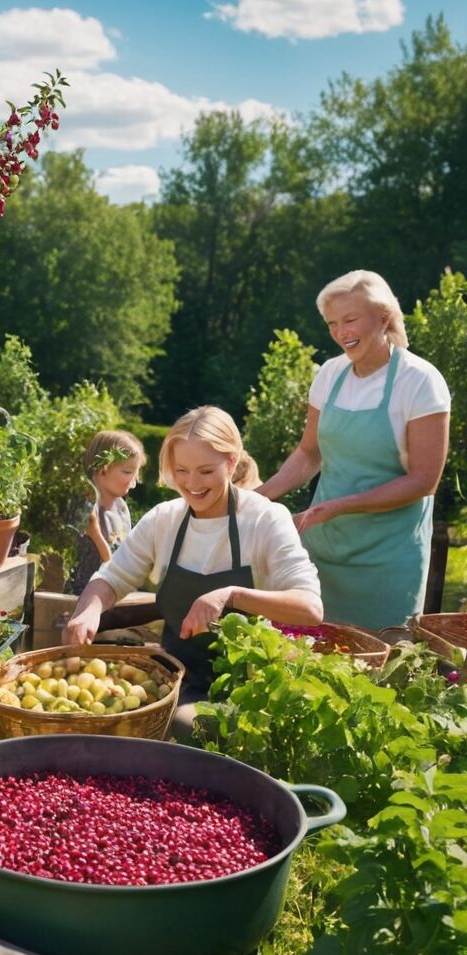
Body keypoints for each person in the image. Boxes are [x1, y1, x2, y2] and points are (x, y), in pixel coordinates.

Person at [63, 406, 322, 694]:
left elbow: (310, 608)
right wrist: (88, 611)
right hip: (173, 683)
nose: (192, 484)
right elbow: (112, 577)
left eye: (206, 471)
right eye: (181, 471)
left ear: (232, 461)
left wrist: (231, 595)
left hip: (249, 693)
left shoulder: (265, 519)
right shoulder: (164, 519)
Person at [257, 270, 450, 629]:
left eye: (350, 319)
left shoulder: (420, 381)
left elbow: (424, 480)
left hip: (389, 557)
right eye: (332, 323)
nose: (340, 332)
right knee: (307, 661)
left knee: (380, 665)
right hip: (324, 546)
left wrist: (336, 507)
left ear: (383, 317)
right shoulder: (330, 374)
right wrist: (258, 497)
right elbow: (309, 454)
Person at [67, 430, 145, 596]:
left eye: (135, 474)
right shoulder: (85, 508)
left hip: (115, 590)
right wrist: (96, 535)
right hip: (83, 594)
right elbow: (108, 566)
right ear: (103, 469)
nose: (133, 482)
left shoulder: (121, 507)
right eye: (127, 472)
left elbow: (124, 558)